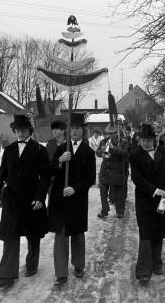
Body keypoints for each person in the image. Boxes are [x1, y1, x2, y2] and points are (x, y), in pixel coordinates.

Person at [0, 114, 51, 289]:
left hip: (32, 200)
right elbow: (2, 174)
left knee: (33, 235)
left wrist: (40, 197)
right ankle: (7, 275)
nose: (21, 133)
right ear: (14, 131)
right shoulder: (9, 150)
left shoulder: (39, 150)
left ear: (29, 130)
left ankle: (32, 264)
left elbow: (45, 177)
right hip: (12, 201)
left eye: (24, 130)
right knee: (10, 236)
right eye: (18, 130)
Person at [48, 112, 96, 286]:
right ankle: (60, 272)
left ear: (83, 131)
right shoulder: (62, 149)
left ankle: (78, 265)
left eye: (78, 129)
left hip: (77, 200)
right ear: (69, 131)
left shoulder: (88, 152)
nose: (75, 132)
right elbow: (50, 170)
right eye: (73, 129)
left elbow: (91, 178)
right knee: (60, 237)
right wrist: (60, 161)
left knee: (77, 234)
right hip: (60, 200)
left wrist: (74, 189)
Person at [129, 122, 165, 284]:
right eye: (143, 139)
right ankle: (144, 270)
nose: (146, 142)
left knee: (159, 232)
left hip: (163, 201)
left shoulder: (163, 152)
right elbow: (138, 179)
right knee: (146, 234)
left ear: (154, 139)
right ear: (139, 140)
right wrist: (158, 191)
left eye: (149, 139)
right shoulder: (135, 155)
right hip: (145, 200)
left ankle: (156, 263)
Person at [96, 123, 129, 219]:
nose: (109, 136)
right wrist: (101, 150)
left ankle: (120, 211)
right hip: (105, 170)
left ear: (116, 133)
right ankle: (104, 210)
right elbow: (97, 153)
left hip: (117, 170)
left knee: (119, 193)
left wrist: (113, 148)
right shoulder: (103, 141)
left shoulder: (123, 142)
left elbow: (124, 153)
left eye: (112, 133)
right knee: (103, 191)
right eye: (108, 133)